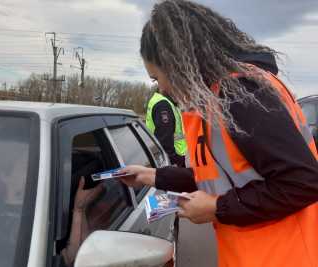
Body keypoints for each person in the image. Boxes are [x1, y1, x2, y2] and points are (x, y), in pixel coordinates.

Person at [119, 1, 318, 267]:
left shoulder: (241, 94)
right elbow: (217, 178)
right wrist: (152, 176)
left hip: (286, 255)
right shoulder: (211, 102)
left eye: (157, 77)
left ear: (177, 63)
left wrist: (216, 208)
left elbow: (303, 182)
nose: (161, 89)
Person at [146, 87, 187, 167]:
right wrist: (174, 161)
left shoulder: (165, 102)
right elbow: (165, 139)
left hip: (174, 156)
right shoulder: (163, 105)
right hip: (173, 160)